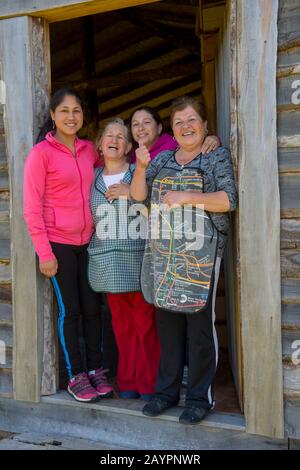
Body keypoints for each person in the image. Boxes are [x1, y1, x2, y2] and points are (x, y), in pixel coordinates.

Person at [130, 96, 238, 425]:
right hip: (165, 254)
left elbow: (227, 200)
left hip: (202, 255)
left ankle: (199, 398)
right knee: (168, 326)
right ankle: (166, 393)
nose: (186, 126)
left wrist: (186, 197)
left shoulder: (215, 155)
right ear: (172, 131)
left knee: (200, 327)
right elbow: (138, 195)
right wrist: (143, 167)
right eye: (179, 122)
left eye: (192, 120)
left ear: (205, 125)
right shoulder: (162, 160)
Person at [23, 88, 113, 403]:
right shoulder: (40, 154)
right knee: (70, 311)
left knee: (94, 309)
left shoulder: (90, 150)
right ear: (52, 115)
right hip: (58, 243)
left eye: (76, 111)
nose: (71, 117)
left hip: (89, 242)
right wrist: (44, 253)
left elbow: (116, 161)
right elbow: (31, 208)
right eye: (64, 111)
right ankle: (76, 375)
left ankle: (96, 370)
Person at [87, 117, 160, 400]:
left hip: (139, 259)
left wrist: (131, 194)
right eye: (109, 135)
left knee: (146, 325)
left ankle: (149, 383)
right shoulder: (91, 177)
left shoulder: (139, 171)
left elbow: (157, 207)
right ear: (100, 145)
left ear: (129, 146)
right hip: (108, 263)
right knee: (122, 327)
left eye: (121, 136)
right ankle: (128, 382)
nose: (114, 140)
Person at [129, 105, 220, 162]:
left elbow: (196, 142)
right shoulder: (132, 156)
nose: (140, 128)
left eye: (147, 122)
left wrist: (213, 138)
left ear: (159, 128)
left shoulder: (174, 144)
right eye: (135, 124)